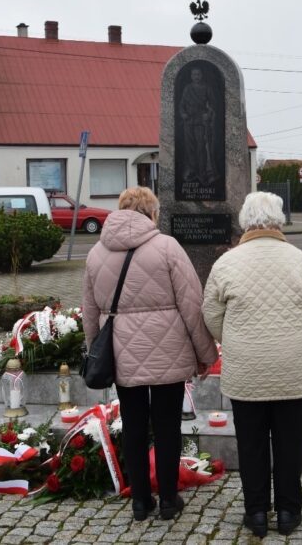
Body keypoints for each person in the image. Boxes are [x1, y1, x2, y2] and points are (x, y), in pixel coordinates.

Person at [82, 186, 217, 522]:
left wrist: (95, 351)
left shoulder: (96, 253)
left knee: (133, 427)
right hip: (168, 352)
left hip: (122, 354)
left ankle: (140, 501)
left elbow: (89, 311)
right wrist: (206, 353)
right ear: (152, 213)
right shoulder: (167, 247)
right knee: (168, 426)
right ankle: (169, 499)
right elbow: (192, 304)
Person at [203, 191, 302, 538]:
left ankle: (257, 512)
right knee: (290, 442)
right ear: (279, 220)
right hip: (293, 366)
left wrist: (234, 339)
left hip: (246, 368)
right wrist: (298, 334)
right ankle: (288, 511)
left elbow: (211, 313)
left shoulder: (227, 262)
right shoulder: (299, 259)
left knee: (251, 443)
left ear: (245, 221)